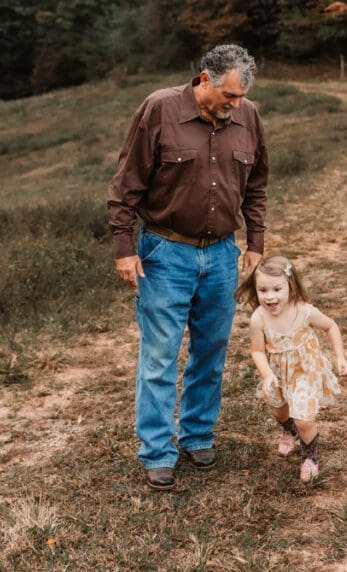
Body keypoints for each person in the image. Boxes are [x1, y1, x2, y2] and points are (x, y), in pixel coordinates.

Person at [107, 44, 269, 491]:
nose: (236, 106)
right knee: (160, 356)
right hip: (165, 251)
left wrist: (255, 242)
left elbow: (256, 184)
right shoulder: (159, 109)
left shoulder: (249, 116)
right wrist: (124, 247)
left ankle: (197, 435)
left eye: (241, 98)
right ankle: (158, 452)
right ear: (204, 79)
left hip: (221, 255)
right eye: (229, 96)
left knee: (211, 351)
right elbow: (126, 183)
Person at [235, 256, 347, 481]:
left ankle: (310, 456)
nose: (270, 296)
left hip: (305, 371)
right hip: (278, 374)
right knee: (279, 410)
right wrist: (267, 375)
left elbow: (330, 326)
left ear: (291, 286)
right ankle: (289, 431)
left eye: (277, 289)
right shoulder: (259, 318)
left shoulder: (304, 311)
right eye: (263, 290)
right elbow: (257, 351)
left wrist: (340, 357)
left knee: (304, 418)